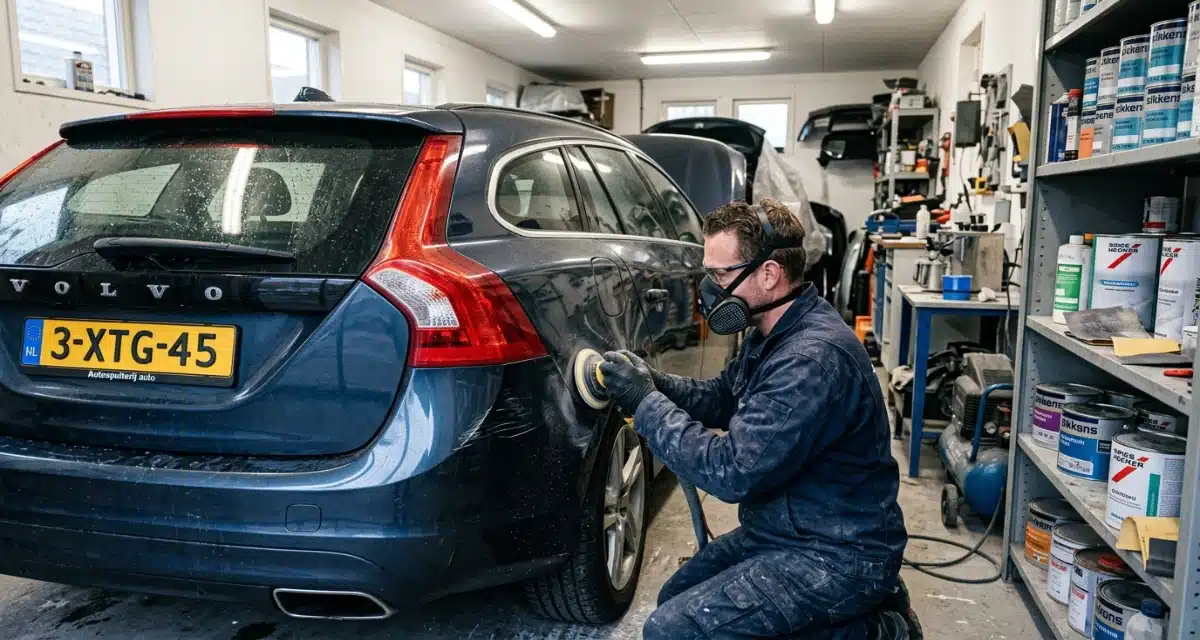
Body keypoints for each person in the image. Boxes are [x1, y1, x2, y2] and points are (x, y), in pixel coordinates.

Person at [597, 199, 916, 639]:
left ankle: (878, 630)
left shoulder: (810, 359)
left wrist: (646, 404)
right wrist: (653, 382)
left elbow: (732, 472)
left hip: (837, 553)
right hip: (784, 529)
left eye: (720, 275)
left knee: (673, 631)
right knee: (676, 596)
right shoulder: (771, 332)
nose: (709, 290)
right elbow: (721, 398)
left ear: (768, 274)